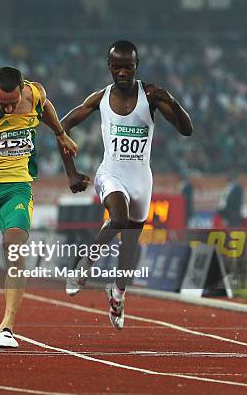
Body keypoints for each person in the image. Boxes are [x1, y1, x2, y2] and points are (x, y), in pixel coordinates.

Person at [60, 40, 193, 329]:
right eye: (117, 67)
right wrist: (70, 172)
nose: (122, 72)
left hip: (141, 179)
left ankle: (117, 294)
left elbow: (186, 130)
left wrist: (171, 100)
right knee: (118, 218)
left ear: (136, 66)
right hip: (111, 173)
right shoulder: (100, 98)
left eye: (128, 67)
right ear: (109, 67)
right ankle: (84, 265)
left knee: (130, 248)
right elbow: (63, 125)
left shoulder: (151, 96)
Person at [0, 66, 79, 347]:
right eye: (2, 103)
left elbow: (46, 110)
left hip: (17, 187)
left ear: (22, 89)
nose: (8, 108)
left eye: (13, 102)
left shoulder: (35, 94)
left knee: (15, 246)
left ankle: (7, 326)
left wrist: (60, 133)